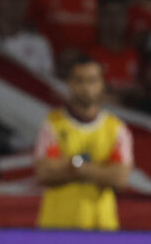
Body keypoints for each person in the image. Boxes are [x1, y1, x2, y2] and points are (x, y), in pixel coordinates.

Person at [35, 55, 133, 230]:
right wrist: (100, 170)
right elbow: (45, 173)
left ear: (102, 84)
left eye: (92, 80)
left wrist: (76, 166)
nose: (86, 87)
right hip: (57, 225)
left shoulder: (116, 129)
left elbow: (120, 178)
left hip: (101, 226)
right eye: (79, 81)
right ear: (70, 84)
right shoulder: (53, 124)